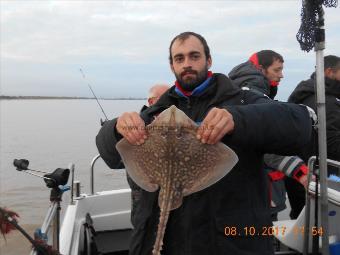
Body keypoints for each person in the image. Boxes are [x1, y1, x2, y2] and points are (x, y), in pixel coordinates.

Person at [96, 32, 313, 255]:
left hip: (226, 243)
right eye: (179, 58)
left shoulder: (241, 100)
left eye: (194, 56)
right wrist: (115, 129)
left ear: (208, 60)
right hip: (161, 243)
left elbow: (299, 124)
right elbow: (111, 156)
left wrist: (237, 119)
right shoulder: (156, 113)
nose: (187, 64)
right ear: (172, 66)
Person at [229, 51, 308, 220]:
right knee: (262, 239)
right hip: (258, 190)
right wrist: (300, 171)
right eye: (277, 70)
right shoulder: (253, 96)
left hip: (250, 190)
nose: (282, 75)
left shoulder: (244, 91)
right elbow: (263, 139)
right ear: (260, 69)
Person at [126, 84, 170, 227]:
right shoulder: (137, 126)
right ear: (151, 102)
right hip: (144, 205)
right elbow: (114, 156)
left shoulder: (178, 125)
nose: (171, 102)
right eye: (166, 98)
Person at [289, 55, 340, 174]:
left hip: (304, 165)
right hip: (326, 173)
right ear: (329, 72)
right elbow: (332, 144)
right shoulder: (328, 102)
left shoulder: (303, 94)